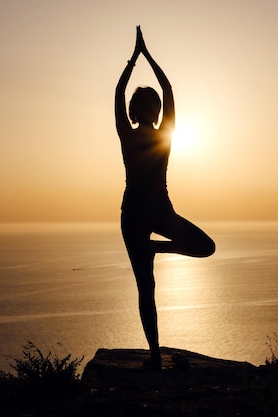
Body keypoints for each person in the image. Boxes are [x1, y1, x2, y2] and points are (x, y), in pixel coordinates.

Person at [115, 25, 215, 370]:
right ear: (150, 110)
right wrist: (145, 56)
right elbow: (167, 87)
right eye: (151, 104)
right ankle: (155, 355)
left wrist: (135, 59)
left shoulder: (133, 135)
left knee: (147, 287)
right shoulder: (164, 135)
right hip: (154, 211)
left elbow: (120, 91)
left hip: (140, 214)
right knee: (150, 284)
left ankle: (155, 354)